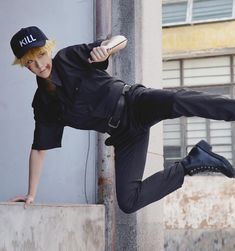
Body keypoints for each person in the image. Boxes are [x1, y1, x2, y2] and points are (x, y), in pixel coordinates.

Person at [9, 26, 235, 213]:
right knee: (128, 202)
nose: (39, 65)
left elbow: (121, 39)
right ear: (23, 64)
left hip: (134, 103)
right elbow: (39, 149)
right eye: (30, 62)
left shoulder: (68, 58)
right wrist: (31, 194)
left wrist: (106, 50)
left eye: (41, 55)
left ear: (48, 49)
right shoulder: (44, 104)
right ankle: (191, 163)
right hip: (124, 135)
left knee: (178, 100)